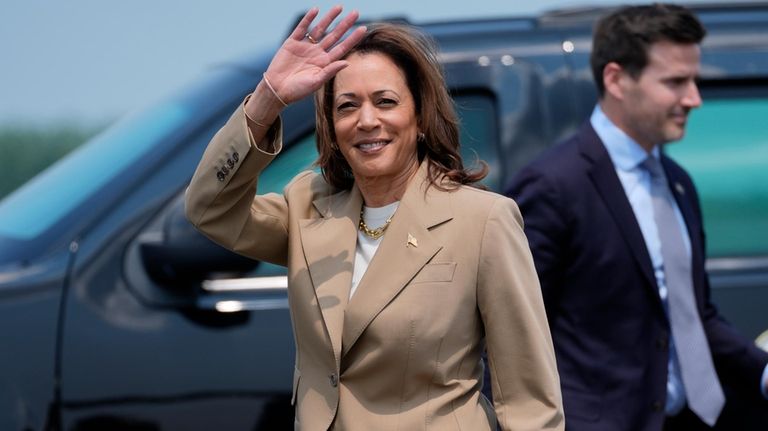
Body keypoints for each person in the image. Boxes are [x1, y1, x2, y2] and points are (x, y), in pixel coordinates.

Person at [185, 6, 563, 430]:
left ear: (419, 117)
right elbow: (209, 207)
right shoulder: (308, 208)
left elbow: (531, 401)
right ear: (331, 125)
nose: (367, 121)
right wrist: (267, 99)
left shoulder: (484, 220)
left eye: (386, 102)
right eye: (347, 106)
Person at [505, 3, 768, 431]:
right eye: (676, 82)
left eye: (694, 80)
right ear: (617, 79)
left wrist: (762, 372)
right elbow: (512, 335)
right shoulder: (553, 185)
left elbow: (693, 316)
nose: (694, 98)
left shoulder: (677, 181)